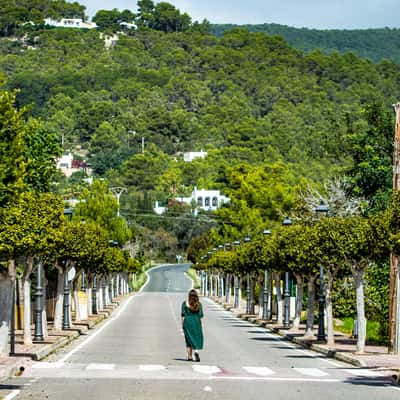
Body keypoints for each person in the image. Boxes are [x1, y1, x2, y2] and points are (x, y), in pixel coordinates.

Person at [181, 289, 204, 362]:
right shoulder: (199, 304)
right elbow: (201, 315)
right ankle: (196, 351)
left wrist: (183, 324)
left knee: (188, 339)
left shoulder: (185, 303)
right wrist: (202, 324)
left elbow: (183, 315)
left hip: (187, 322)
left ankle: (189, 356)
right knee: (196, 337)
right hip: (196, 322)